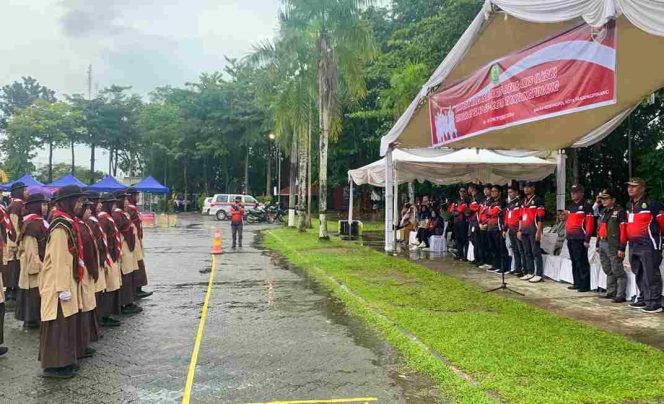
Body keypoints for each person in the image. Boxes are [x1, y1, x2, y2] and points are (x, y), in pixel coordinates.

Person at [39, 185, 87, 379]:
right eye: (78, 201)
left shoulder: (68, 222)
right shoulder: (60, 226)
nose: (80, 205)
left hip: (67, 281)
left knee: (66, 324)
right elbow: (59, 260)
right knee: (58, 324)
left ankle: (65, 361)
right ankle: (54, 365)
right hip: (59, 284)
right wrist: (61, 289)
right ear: (68, 202)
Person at [619, 178, 664, 313]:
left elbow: (662, 223)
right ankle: (644, 298)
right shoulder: (628, 205)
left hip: (649, 244)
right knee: (638, 272)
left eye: (634, 186)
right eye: (629, 186)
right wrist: (623, 244)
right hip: (633, 244)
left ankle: (654, 302)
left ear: (642, 188)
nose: (630, 189)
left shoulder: (652, 204)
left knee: (651, 273)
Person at [16, 192, 49, 328]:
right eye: (43, 204)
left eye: (46, 204)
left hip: (38, 260)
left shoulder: (38, 221)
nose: (46, 207)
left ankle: (34, 318)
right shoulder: (32, 224)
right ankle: (31, 320)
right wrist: (38, 266)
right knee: (32, 291)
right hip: (34, 262)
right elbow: (30, 249)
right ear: (35, 206)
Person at [76, 198, 100, 359]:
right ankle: (81, 344)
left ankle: (85, 342)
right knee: (83, 307)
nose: (91, 211)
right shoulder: (77, 225)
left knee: (87, 306)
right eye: (87, 208)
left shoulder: (84, 225)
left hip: (87, 271)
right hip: (82, 272)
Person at [596, 189, 627, 303]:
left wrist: (622, 247)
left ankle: (620, 294)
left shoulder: (619, 211)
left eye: (606, 198)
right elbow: (600, 228)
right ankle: (611, 291)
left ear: (613, 200)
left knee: (617, 269)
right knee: (607, 269)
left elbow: (623, 230)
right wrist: (597, 243)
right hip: (603, 242)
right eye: (602, 199)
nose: (603, 201)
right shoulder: (604, 211)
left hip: (613, 244)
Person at [113, 191, 141, 315]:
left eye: (126, 199)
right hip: (123, 247)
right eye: (123, 200)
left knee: (129, 275)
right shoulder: (117, 216)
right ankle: (124, 303)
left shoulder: (123, 214)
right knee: (124, 276)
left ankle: (129, 301)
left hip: (128, 247)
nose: (126, 202)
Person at [97, 193, 123, 326]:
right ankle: (104, 316)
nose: (114, 206)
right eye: (112, 203)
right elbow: (103, 239)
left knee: (113, 285)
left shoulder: (108, 217)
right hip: (108, 256)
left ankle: (108, 314)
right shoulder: (103, 219)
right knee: (108, 287)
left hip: (112, 255)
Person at [565, 184, 594, 292]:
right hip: (571, 237)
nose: (573, 194)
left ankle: (584, 284)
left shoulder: (586, 206)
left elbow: (590, 223)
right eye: (572, 192)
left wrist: (587, 239)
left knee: (581, 261)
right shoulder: (570, 206)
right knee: (574, 261)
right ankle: (576, 282)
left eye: (575, 192)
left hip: (580, 237)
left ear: (581, 193)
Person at [126, 188, 152, 299]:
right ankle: (137, 289)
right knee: (137, 264)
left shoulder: (133, 208)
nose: (137, 197)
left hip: (137, 238)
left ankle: (138, 288)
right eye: (136, 195)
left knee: (138, 263)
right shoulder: (130, 209)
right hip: (133, 239)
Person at [4, 181, 28, 303]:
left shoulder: (20, 205)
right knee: (14, 267)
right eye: (24, 190)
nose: (27, 192)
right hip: (15, 243)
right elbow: (13, 226)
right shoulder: (15, 206)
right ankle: (11, 293)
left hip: (18, 242)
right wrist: (15, 243)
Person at [518, 181, 545, 283]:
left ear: (533, 188)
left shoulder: (538, 200)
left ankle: (539, 273)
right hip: (524, 229)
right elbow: (520, 217)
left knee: (535, 251)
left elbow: (541, 217)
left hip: (533, 229)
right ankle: (530, 271)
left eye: (528, 187)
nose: (525, 189)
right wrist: (519, 230)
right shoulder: (523, 201)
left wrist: (539, 231)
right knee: (527, 251)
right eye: (524, 187)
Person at [486, 185, 509, 273]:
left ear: (499, 192)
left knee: (501, 247)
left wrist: (490, 212)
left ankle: (504, 266)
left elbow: (495, 212)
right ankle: (496, 265)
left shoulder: (502, 202)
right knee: (493, 247)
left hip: (498, 228)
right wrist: (490, 212)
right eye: (492, 191)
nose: (493, 193)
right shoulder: (491, 201)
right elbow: (486, 212)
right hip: (490, 227)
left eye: (495, 191)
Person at [504, 184, 524, 277]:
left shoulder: (520, 202)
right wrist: (505, 229)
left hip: (517, 229)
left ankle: (523, 269)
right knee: (514, 250)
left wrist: (520, 229)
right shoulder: (510, 203)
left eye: (511, 192)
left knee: (521, 250)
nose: (510, 194)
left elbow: (521, 216)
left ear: (516, 192)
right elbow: (507, 218)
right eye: (508, 192)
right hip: (511, 229)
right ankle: (517, 268)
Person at [449, 187, 469, 260]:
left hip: (463, 221)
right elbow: (451, 210)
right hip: (456, 221)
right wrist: (456, 210)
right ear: (459, 192)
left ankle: (465, 255)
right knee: (458, 238)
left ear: (465, 192)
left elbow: (461, 209)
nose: (462, 192)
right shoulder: (456, 200)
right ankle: (459, 254)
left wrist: (456, 209)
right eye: (461, 191)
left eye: (463, 191)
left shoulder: (467, 200)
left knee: (464, 238)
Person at [467, 183, 484, 264]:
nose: (468, 190)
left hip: (477, 222)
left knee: (478, 242)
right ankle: (476, 258)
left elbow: (476, 207)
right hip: (472, 222)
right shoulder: (472, 198)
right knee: (474, 241)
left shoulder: (479, 197)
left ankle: (480, 259)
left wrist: (470, 208)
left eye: (469, 188)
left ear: (473, 188)